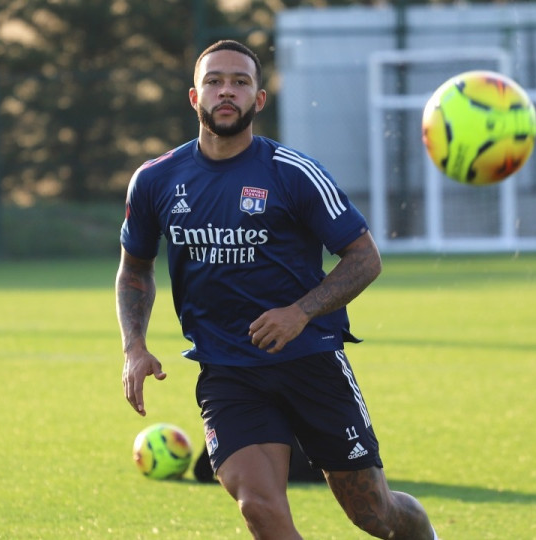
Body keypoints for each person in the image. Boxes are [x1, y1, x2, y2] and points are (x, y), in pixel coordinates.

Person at [116, 39, 439, 539]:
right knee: (259, 507)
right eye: (215, 81)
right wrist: (134, 346)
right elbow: (135, 269)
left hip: (311, 363)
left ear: (259, 100)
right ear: (193, 97)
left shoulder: (294, 173)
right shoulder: (155, 180)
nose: (227, 91)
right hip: (228, 370)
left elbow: (364, 258)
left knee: (375, 514)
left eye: (241, 82)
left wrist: (300, 312)